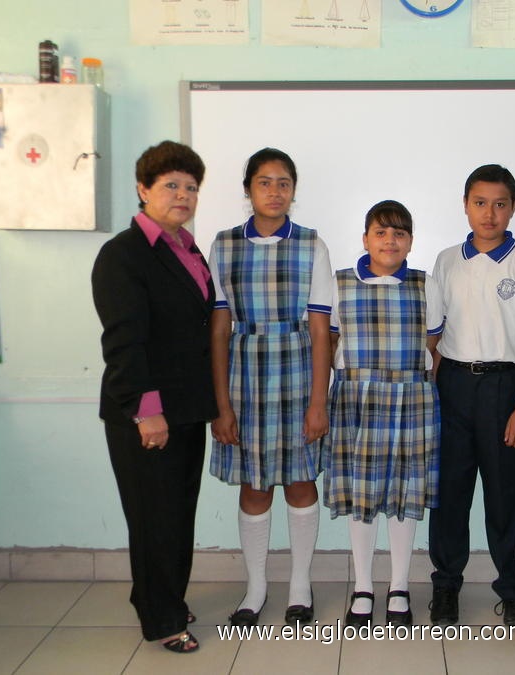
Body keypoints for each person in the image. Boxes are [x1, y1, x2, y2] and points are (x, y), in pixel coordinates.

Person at [92, 140, 217, 654]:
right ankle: (162, 620)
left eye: (191, 187)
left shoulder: (188, 248)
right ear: (143, 189)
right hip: (147, 414)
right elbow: (124, 341)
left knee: (176, 513)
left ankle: (162, 596)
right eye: (171, 185)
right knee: (153, 517)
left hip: (187, 409)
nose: (183, 195)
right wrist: (148, 412)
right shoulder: (123, 254)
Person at [209, 148, 332, 628]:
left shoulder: (311, 245)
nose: (275, 191)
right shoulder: (224, 245)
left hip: (299, 375)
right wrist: (222, 405)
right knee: (255, 486)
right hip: (244, 377)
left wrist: (318, 402)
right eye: (265, 182)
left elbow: (322, 330)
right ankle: (256, 588)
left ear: (294, 190)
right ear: (248, 189)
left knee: (301, 482)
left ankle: (300, 586)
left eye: (284, 183)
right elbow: (218, 330)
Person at [428, 165, 515, 627]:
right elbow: (435, 339)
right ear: (465, 205)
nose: (490, 213)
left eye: (500, 203)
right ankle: (446, 585)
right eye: (480, 202)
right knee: (450, 493)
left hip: (504, 388)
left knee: (504, 496)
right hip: (453, 386)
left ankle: (512, 588)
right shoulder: (446, 261)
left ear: (513, 207)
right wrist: (431, 399)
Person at [323, 200, 444, 627]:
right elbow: (328, 340)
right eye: (380, 232)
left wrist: (411, 381)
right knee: (362, 495)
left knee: (403, 496)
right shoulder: (339, 283)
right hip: (356, 399)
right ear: (365, 238)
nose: (389, 240)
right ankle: (361, 587)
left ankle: (398, 586)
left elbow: (434, 344)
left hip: (410, 399)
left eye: (399, 233)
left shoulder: (425, 284)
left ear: (410, 240)